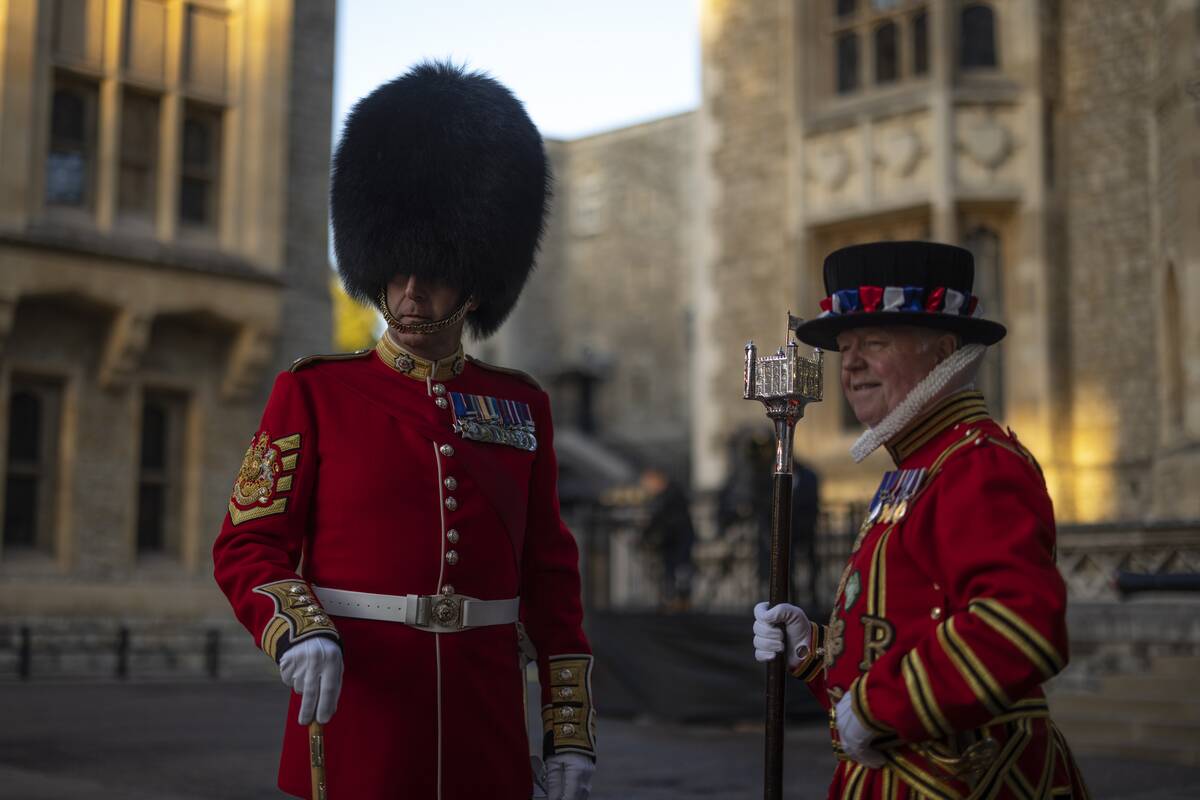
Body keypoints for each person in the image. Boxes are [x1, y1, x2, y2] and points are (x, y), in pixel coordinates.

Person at [213, 62, 595, 800]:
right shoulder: (316, 392)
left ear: (475, 279)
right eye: (394, 273)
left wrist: (568, 730)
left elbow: (551, 585)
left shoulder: (521, 407)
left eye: (433, 274)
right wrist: (301, 627)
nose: (410, 294)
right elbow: (247, 542)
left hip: (486, 730)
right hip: (360, 721)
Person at [751, 241, 1090, 798]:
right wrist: (812, 652)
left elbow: (1019, 629)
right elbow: (902, 634)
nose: (851, 362)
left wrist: (878, 706)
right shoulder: (924, 464)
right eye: (846, 346)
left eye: (875, 342)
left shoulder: (979, 464)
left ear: (943, 351)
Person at [638, 467, 696, 611]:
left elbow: (661, 519)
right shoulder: (669, 495)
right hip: (672, 540)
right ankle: (675, 599)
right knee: (673, 571)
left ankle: (679, 599)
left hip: (678, 539)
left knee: (679, 570)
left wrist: (648, 533)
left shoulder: (670, 495)